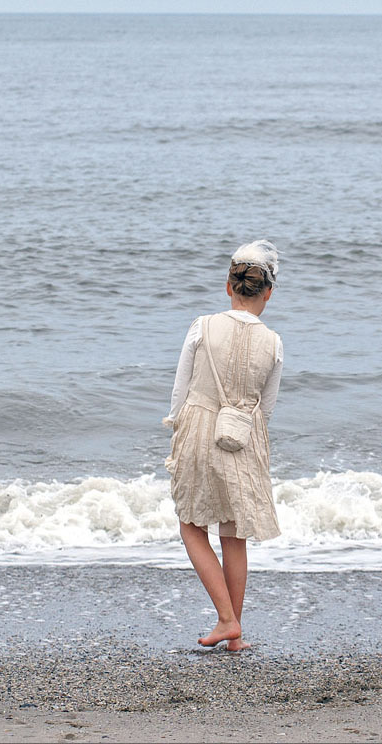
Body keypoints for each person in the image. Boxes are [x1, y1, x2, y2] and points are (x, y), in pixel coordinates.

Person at [163, 240, 283, 651]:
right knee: (234, 535)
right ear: (267, 292)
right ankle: (235, 635)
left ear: (227, 286)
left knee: (190, 524)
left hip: (199, 427)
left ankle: (226, 619)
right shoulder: (275, 342)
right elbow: (265, 410)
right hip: (243, 435)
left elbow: (179, 394)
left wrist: (177, 434)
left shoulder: (202, 326)